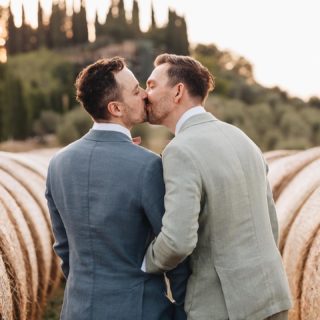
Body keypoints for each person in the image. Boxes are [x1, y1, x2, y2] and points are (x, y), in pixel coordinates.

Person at [144, 53, 292, 320]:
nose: (146, 94)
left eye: (152, 85)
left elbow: (177, 241)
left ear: (178, 91)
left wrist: (145, 262)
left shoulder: (180, 150)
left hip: (224, 307)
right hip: (273, 296)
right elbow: (270, 223)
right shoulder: (242, 138)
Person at [45, 57, 189, 320]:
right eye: (136, 91)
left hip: (77, 310)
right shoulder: (148, 166)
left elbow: (64, 248)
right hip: (140, 311)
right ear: (116, 108)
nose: (145, 95)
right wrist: (183, 310)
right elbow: (173, 248)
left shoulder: (57, 163)